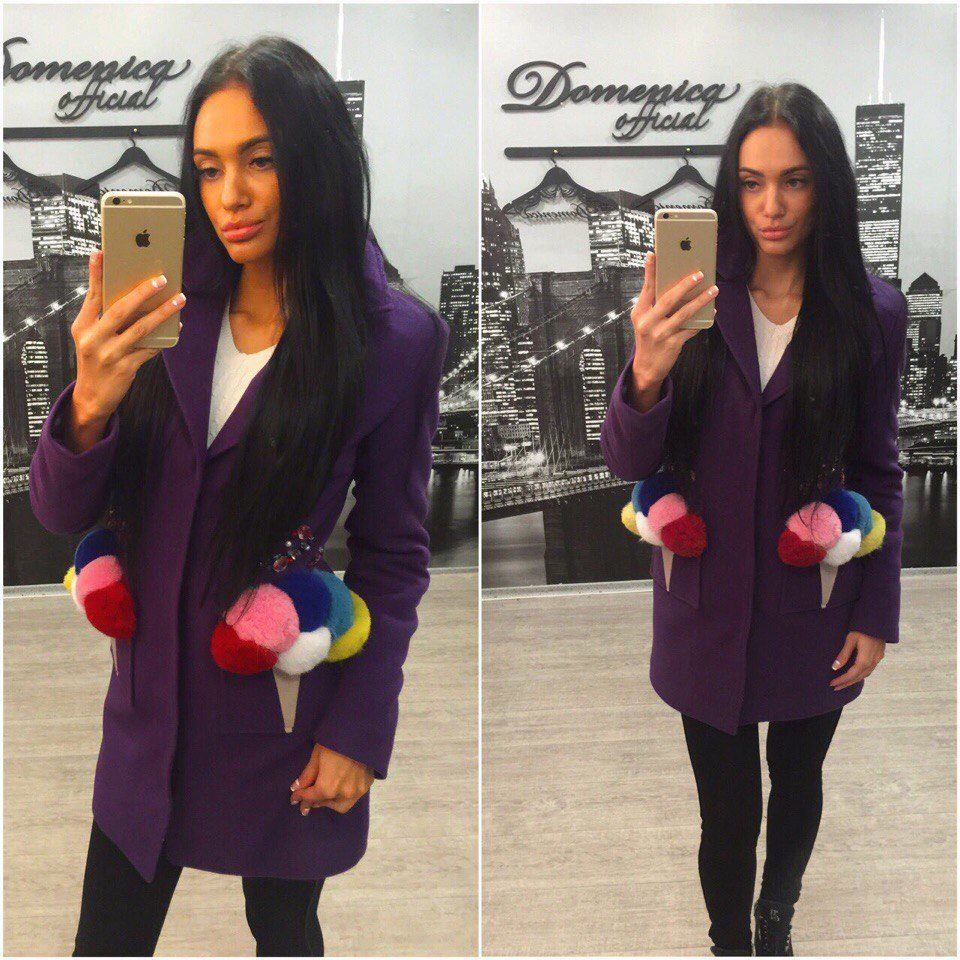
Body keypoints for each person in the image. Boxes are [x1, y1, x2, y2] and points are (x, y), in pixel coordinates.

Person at [29, 37, 448, 957]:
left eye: (261, 160)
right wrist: (89, 401)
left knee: (286, 934)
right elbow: (59, 513)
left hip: (283, 712)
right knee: (106, 941)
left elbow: (392, 553)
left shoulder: (395, 341)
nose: (231, 196)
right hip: (148, 718)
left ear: (318, 161)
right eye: (210, 167)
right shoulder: (157, 306)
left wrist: (361, 726)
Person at [600, 83, 907, 956]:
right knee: (726, 808)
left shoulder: (872, 313)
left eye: (795, 180)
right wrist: (646, 368)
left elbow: (879, 469)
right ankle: (729, 941)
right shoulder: (688, 297)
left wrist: (877, 613)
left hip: (816, 604)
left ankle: (777, 918)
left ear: (827, 186)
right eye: (751, 181)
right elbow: (625, 461)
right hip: (703, 605)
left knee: (798, 779)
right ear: (730, 189)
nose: (771, 205)